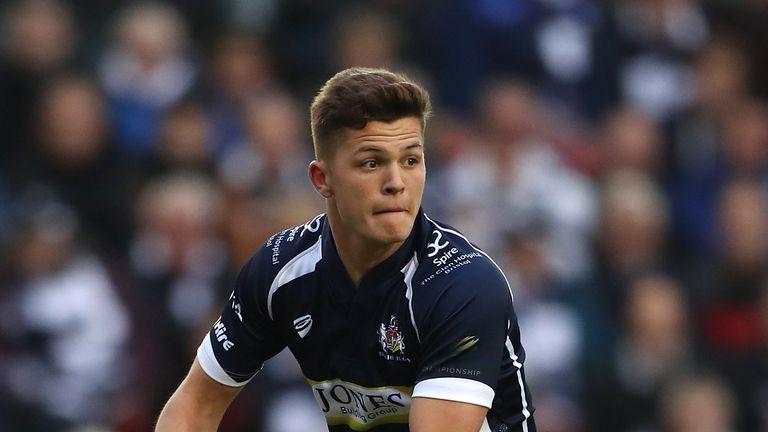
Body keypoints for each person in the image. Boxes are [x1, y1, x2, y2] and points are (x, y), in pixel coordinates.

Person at [155, 67, 536, 432]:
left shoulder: (462, 284)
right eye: (372, 162)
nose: (396, 183)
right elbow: (194, 405)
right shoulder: (279, 270)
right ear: (323, 179)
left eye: (411, 160)